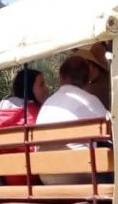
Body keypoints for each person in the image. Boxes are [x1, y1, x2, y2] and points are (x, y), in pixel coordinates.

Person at [36, 52, 110, 184]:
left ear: (61, 78)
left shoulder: (47, 104)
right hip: (78, 174)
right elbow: (111, 132)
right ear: (87, 79)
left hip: (46, 176)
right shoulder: (90, 101)